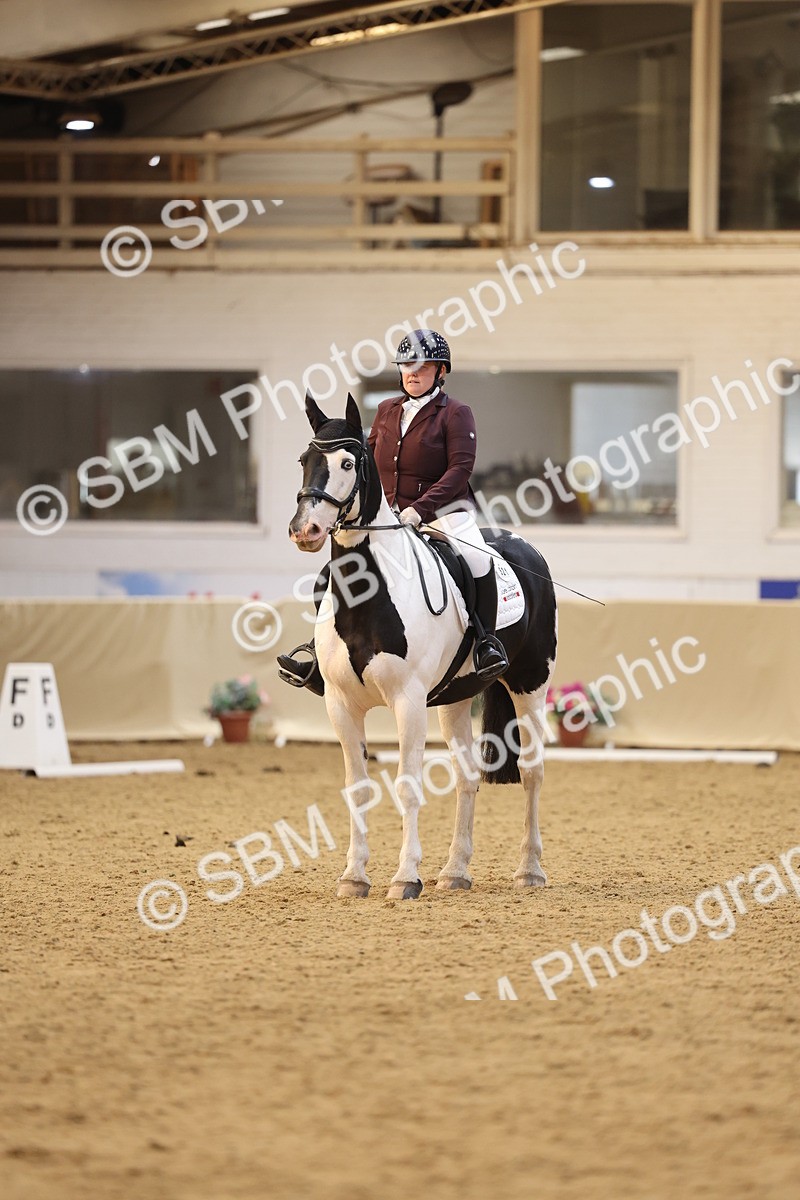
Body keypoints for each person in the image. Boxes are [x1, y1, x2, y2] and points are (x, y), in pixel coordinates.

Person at [278, 328, 509, 693]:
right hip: (389, 517)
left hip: (445, 513)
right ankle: (319, 652)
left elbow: (459, 471)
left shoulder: (456, 413)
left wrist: (420, 510)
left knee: (477, 560)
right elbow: (366, 464)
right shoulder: (386, 410)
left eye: (421, 366)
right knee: (333, 572)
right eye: (406, 366)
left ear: (440, 371)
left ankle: (485, 644)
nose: (412, 372)